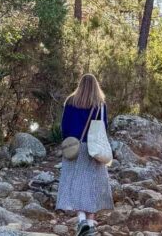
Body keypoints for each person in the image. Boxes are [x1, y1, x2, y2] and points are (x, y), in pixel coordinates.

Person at [56, 74, 114, 236]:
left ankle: (81, 220)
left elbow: (64, 126)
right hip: (93, 148)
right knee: (92, 185)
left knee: (75, 184)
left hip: (74, 147)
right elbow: (104, 127)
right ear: (96, 86)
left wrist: (70, 140)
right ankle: (90, 224)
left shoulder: (70, 101)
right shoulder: (100, 104)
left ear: (80, 85)